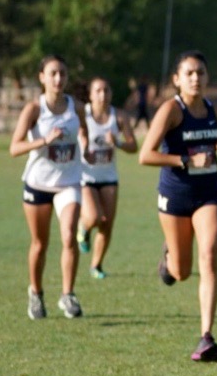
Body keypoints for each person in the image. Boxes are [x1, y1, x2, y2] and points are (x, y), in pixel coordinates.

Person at [138, 50, 217, 361]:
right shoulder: (171, 110)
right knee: (181, 271)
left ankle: (206, 336)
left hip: (209, 192)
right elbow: (146, 154)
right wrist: (184, 159)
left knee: (209, 257)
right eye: (190, 73)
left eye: (201, 73)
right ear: (177, 79)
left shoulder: (214, 110)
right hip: (176, 195)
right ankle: (169, 259)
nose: (196, 78)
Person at [9, 55, 88, 319]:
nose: (58, 79)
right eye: (53, 73)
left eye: (62, 73)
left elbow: (84, 130)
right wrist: (43, 140)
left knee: (68, 236)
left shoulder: (76, 107)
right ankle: (36, 293)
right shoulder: (34, 109)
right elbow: (15, 147)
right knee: (40, 244)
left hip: (69, 182)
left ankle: (68, 295)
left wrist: (85, 144)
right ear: (42, 77)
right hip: (38, 183)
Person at [77, 77, 137, 279]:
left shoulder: (118, 116)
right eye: (98, 91)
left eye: (107, 90)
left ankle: (96, 265)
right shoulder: (82, 114)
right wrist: (84, 150)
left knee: (107, 223)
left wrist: (117, 143)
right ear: (90, 94)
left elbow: (133, 146)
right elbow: (73, 138)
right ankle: (83, 228)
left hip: (109, 177)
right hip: (86, 176)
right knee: (94, 217)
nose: (103, 95)